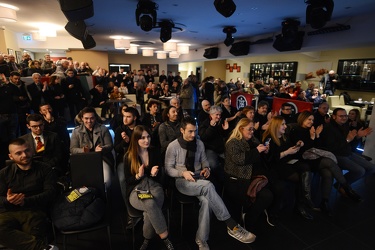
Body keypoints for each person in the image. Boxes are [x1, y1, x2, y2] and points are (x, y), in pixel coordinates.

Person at [165, 116, 256, 249]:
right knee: (209, 185)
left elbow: (204, 161)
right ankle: (231, 225)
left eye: (195, 131)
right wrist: (182, 173)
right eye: (190, 131)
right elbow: (168, 169)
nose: (193, 134)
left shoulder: (199, 143)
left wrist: (206, 168)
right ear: (182, 130)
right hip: (182, 181)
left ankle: (201, 239)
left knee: (207, 201)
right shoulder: (173, 146)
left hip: (199, 179)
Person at [289, 111, 362, 215]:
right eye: (309, 119)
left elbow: (317, 147)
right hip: (303, 160)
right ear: (302, 119)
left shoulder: (311, 130)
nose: (311, 122)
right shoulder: (296, 130)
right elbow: (302, 150)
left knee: (328, 172)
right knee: (329, 162)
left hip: (313, 158)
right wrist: (312, 137)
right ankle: (347, 188)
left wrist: (317, 136)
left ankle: (325, 201)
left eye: (312, 120)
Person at [119, 125, 174, 250]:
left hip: (155, 187)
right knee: (149, 203)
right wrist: (138, 175)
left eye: (148, 137)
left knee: (150, 210)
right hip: (136, 190)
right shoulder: (128, 156)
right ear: (136, 140)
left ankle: (146, 239)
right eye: (142, 138)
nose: (146, 140)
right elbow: (127, 181)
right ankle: (165, 237)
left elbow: (160, 178)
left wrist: (155, 173)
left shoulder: (154, 152)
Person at [0, 138, 58, 250]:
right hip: (9, 211)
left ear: (32, 150)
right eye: (18, 153)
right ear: (11, 156)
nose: (24, 155)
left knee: (33, 232)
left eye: (27, 150)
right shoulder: (4, 173)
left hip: (35, 210)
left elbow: (50, 193)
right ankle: (42, 248)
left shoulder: (45, 169)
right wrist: (8, 200)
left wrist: (25, 201)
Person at [224, 118, 273, 230]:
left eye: (253, 129)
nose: (252, 131)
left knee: (270, 190)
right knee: (266, 195)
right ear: (241, 129)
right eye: (249, 129)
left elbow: (258, 149)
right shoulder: (233, 142)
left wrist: (264, 150)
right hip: (237, 177)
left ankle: (251, 216)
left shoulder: (252, 139)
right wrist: (257, 151)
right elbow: (239, 160)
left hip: (251, 174)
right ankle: (249, 219)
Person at [262, 116, 314, 220]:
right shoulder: (269, 139)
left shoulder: (284, 136)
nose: (286, 126)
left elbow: (289, 150)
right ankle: (302, 202)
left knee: (306, 167)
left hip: (286, 163)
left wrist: (297, 145)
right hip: (275, 167)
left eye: (285, 124)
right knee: (301, 178)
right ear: (276, 126)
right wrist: (287, 152)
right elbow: (270, 159)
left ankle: (305, 198)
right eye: (283, 124)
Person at [320, 108, 375, 187]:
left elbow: (350, 143)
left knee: (372, 168)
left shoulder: (345, 125)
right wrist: (347, 140)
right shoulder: (328, 128)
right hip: (336, 155)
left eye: (345, 116)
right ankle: (343, 186)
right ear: (334, 116)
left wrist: (358, 136)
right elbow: (331, 148)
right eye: (341, 116)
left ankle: (342, 186)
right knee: (360, 171)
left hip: (348, 152)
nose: (344, 118)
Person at [70, 107, 114, 187]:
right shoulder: (76, 131)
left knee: (106, 181)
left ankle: (106, 197)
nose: (89, 121)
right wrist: (83, 150)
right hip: (84, 159)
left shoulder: (103, 129)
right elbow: (72, 149)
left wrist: (102, 149)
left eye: (92, 118)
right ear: (82, 118)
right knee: (85, 183)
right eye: (86, 118)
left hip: (102, 158)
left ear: (95, 118)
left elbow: (110, 145)